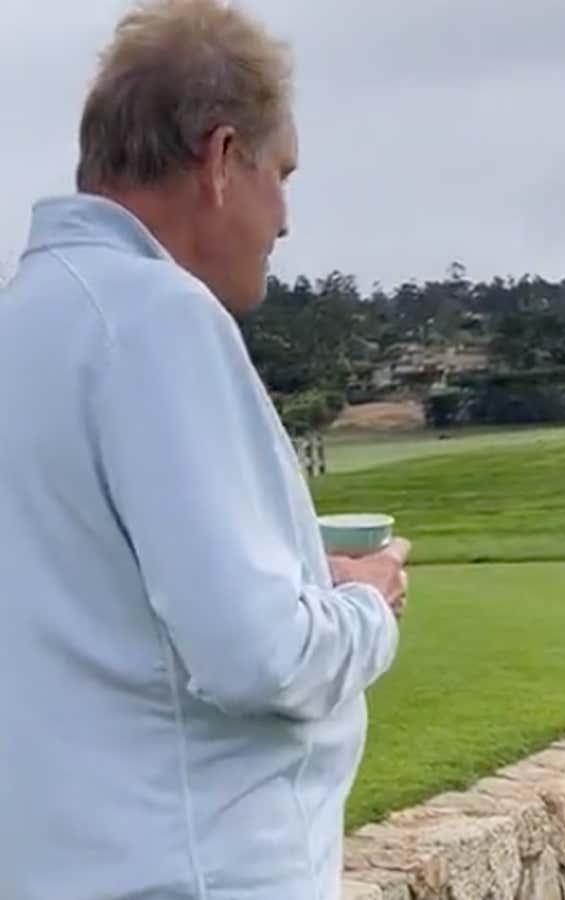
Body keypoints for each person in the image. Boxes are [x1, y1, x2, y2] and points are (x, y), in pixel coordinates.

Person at [0, 2, 408, 897]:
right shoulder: (159, 317)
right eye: (282, 172)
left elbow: (110, 598)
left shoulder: (26, 317)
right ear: (223, 160)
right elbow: (257, 656)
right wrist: (371, 604)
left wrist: (306, 575)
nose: (286, 218)